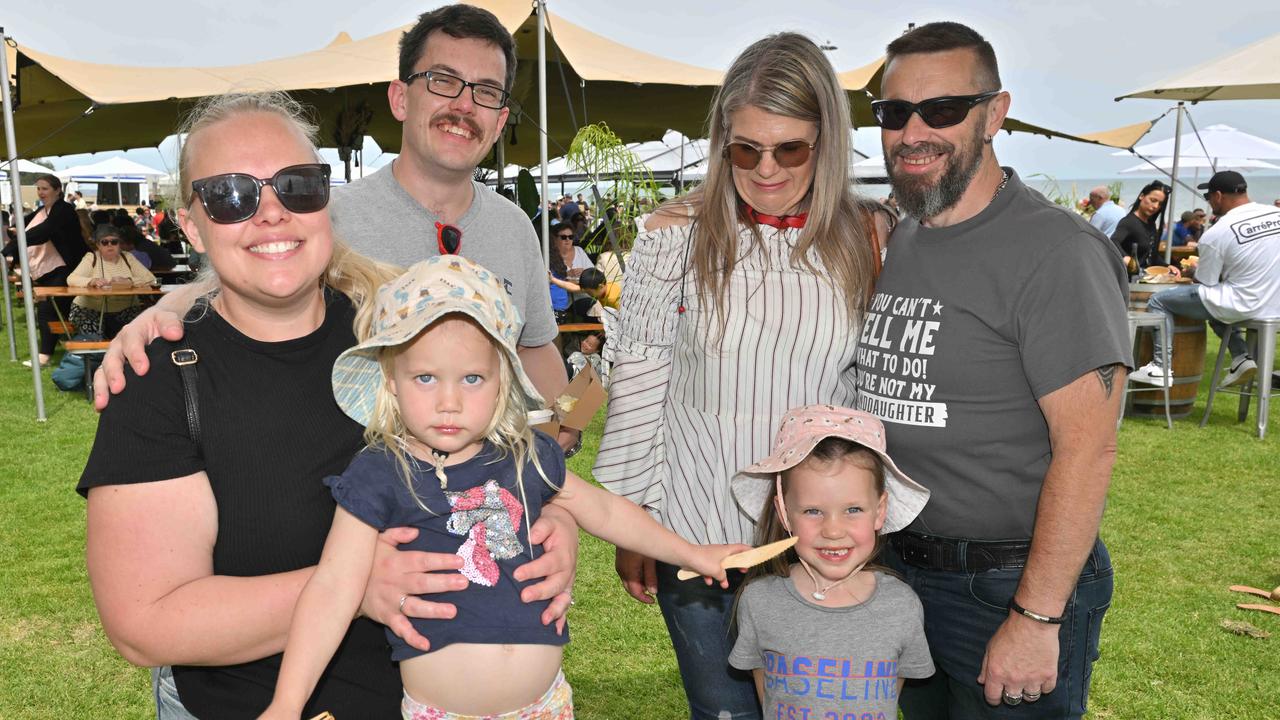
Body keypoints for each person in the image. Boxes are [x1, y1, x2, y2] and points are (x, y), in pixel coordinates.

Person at [77, 91, 575, 720]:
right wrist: (357, 587)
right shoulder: (160, 378)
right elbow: (145, 622)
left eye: (298, 186)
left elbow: (511, 454)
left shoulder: (403, 331)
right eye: (232, 195)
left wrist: (553, 526)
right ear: (191, 224)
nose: (271, 213)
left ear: (326, 202)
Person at [261, 256, 741, 719]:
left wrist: (692, 554)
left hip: (546, 706)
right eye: (425, 377)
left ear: (500, 382)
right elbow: (330, 590)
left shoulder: (525, 455)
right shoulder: (380, 471)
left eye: (471, 378)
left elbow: (607, 513)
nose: (449, 402)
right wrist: (286, 704)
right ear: (391, 381)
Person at [95, 4, 578, 453]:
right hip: (363, 489)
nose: (464, 106)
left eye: (486, 92)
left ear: (499, 122)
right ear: (400, 98)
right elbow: (237, 285)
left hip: (488, 493)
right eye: (442, 81)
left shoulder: (515, 225)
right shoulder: (323, 214)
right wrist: (161, 311)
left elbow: (534, 346)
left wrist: (567, 430)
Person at [594, 32, 887, 719]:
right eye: (744, 149)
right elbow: (640, 380)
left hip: (826, 546)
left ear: (829, 142)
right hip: (696, 544)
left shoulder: (867, 238)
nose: (766, 169)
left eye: (790, 149)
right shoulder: (674, 236)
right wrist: (637, 528)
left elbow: (873, 396)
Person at [862, 22, 1129, 718]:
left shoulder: (1056, 251)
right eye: (894, 114)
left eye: (943, 110)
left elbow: (1089, 447)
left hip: (1002, 586)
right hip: (899, 571)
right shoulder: (903, 234)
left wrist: (1036, 619)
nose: (914, 131)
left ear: (995, 113)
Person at [728, 405, 933, 719]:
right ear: (784, 513)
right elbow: (767, 701)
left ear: (879, 511)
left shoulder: (902, 606)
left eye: (853, 509)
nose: (834, 530)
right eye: (813, 511)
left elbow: (889, 701)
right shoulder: (758, 601)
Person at [1130, 171, 1280, 389]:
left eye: (1208, 197)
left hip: (1243, 304)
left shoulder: (1216, 233)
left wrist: (1192, 272)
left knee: (1159, 301)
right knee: (1217, 307)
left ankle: (1160, 368)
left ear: (1218, 195)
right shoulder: (1275, 214)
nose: (1209, 203)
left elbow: (1206, 282)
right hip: (1274, 304)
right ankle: (1241, 358)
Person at [8, 174, 88, 367]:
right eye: (38, 189)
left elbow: (46, 230)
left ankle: (46, 355)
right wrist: (15, 232)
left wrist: (12, 246)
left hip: (66, 270)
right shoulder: (43, 210)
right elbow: (21, 225)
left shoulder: (64, 210)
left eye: (44, 188)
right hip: (49, 271)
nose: (40, 192)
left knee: (48, 311)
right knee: (53, 311)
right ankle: (66, 347)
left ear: (57, 190)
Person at [65, 224, 156, 339]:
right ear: (98, 245)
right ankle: (95, 356)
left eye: (114, 242)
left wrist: (130, 281)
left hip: (126, 309)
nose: (110, 245)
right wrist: (91, 281)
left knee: (135, 336)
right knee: (94, 338)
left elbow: (151, 279)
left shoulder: (128, 258)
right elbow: (71, 279)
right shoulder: (91, 258)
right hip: (90, 309)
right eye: (104, 242)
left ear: (120, 244)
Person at [1110, 180, 1167, 269]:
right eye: (1153, 200)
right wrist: (1125, 257)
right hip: (1129, 278)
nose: (1155, 206)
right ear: (1142, 196)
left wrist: (1167, 266)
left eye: (1160, 204)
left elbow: (1151, 255)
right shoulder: (1129, 222)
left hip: (1147, 277)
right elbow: (1113, 241)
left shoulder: (1151, 224)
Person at [550, 267, 621, 311]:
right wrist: (553, 279)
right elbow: (572, 287)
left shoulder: (614, 298)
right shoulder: (596, 287)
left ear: (600, 286)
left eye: (589, 293)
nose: (588, 294)